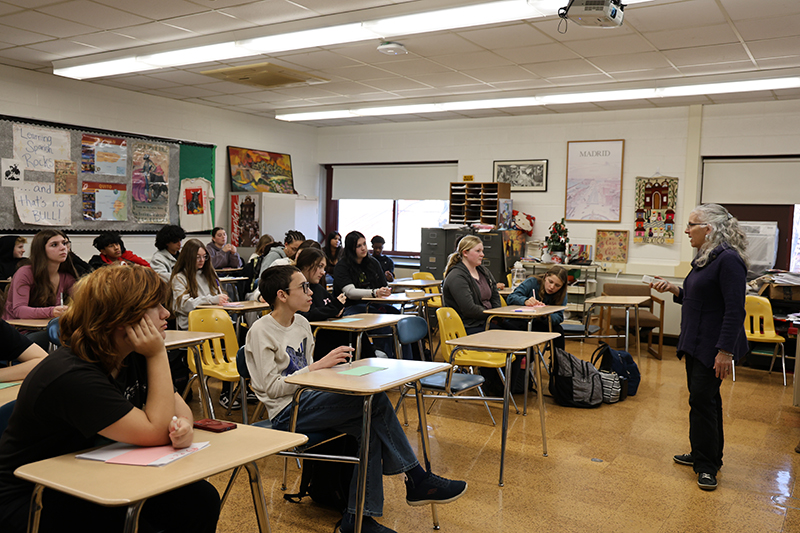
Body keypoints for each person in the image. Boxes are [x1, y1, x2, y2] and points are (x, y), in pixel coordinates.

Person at [245, 265, 467, 533]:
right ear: (281, 295)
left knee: (368, 425)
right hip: (285, 413)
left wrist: (334, 371)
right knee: (374, 402)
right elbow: (271, 388)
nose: (311, 291)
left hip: (310, 400)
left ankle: (358, 519)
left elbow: (309, 375)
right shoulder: (260, 331)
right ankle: (417, 478)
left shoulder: (302, 323)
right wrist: (316, 368)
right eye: (303, 287)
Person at [0, 265, 220, 532]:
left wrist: (182, 427)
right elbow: (154, 432)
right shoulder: (72, 374)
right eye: (155, 306)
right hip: (34, 493)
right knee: (127, 524)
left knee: (199, 499)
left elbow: (179, 410)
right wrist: (158, 354)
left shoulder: (132, 352)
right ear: (122, 318)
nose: (167, 313)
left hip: (93, 473)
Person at [651, 203, 748, 492]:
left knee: (703, 402)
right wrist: (674, 290)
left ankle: (707, 467)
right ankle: (704, 453)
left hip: (712, 346)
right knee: (704, 401)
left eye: (691, 224)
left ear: (709, 229)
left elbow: (734, 310)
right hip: (694, 343)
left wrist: (725, 351)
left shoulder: (729, 260)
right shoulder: (707, 257)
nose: (686, 230)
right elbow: (700, 299)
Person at [334, 231, 408, 359]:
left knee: (403, 322)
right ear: (351, 248)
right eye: (359, 246)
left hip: (373, 305)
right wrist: (374, 293)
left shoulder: (372, 263)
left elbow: (383, 286)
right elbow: (350, 292)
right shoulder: (342, 266)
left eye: (364, 244)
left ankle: (408, 363)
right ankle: (385, 359)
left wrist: (385, 292)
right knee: (385, 326)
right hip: (351, 308)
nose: (363, 248)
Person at [1, 230, 77, 350]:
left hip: (45, 329)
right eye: (54, 245)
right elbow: (19, 311)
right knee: (68, 339)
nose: (63, 248)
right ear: (41, 250)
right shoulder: (25, 272)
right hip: (18, 332)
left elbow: (84, 301)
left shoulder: (66, 276)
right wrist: (52, 312)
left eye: (64, 243)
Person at [295, 248, 376, 360]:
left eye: (323, 267)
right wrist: (334, 308)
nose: (323, 272)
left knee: (358, 333)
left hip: (329, 332)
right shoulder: (298, 290)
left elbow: (332, 307)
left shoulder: (318, 288)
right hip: (318, 337)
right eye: (319, 266)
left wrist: (338, 309)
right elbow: (307, 314)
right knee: (353, 337)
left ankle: (371, 363)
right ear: (306, 265)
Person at [441, 235, 501, 335]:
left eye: (482, 251)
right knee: (511, 334)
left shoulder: (483, 271)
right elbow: (469, 309)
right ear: (465, 253)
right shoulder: (456, 276)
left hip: (487, 320)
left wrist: (497, 315)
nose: (482, 254)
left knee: (519, 329)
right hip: (469, 326)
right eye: (478, 251)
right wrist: (492, 315)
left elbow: (495, 296)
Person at [169, 239, 229, 331]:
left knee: (239, 331)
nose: (202, 260)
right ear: (188, 257)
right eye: (197, 257)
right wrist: (211, 300)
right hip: (193, 323)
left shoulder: (210, 274)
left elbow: (217, 295)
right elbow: (183, 305)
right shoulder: (179, 278)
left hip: (214, 318)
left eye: (204, 256)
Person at [506, 265, 568, 349]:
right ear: (546, 277)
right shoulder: (532, 282)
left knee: (558, 331)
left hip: (540, 323)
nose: (552, 287)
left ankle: (558, 361)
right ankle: (525, 358)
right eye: (550, 282)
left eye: (557, 285)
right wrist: (525, 301)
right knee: (522, 333)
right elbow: (511, 297)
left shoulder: (561, 294)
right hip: (521, 320)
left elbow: (559, 317)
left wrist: (545, 315)